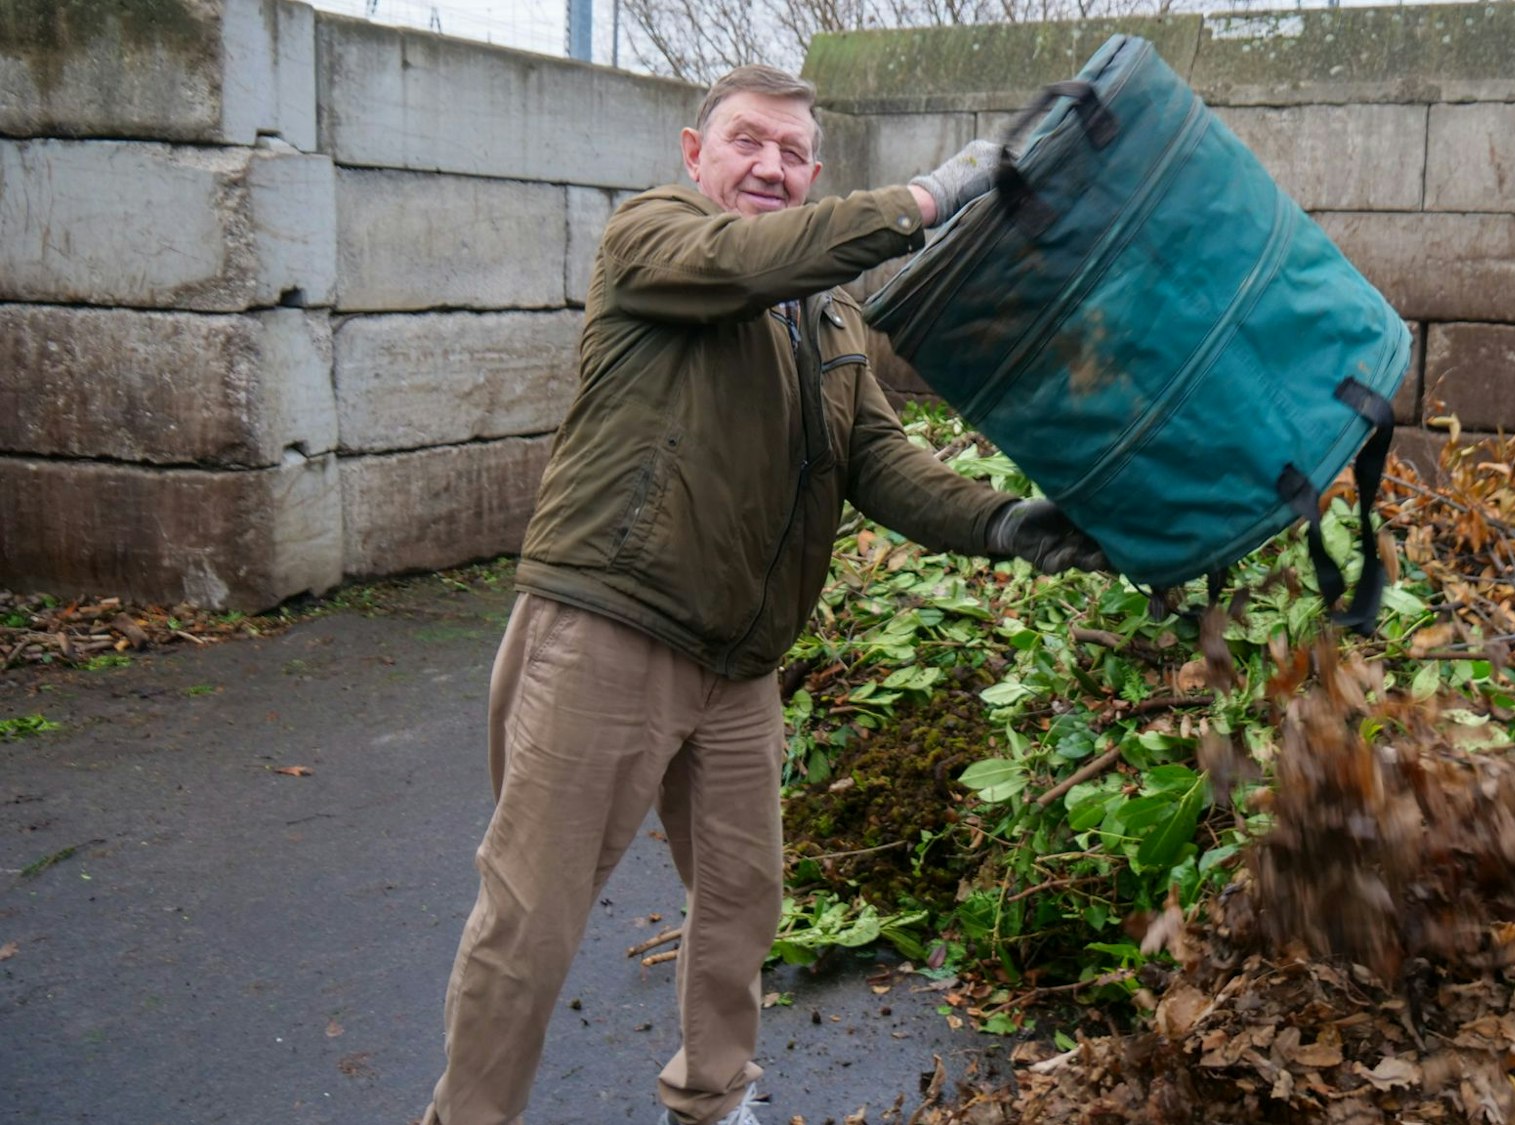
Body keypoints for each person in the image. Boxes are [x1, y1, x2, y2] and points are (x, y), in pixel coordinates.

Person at [420, 64, 1106, 1125]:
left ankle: (711, 1099)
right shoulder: (654, 238)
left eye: (792, 153)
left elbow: (876, 457)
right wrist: (931, 196)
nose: (770, 167)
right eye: (747, 141)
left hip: (741, 660)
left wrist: (1005, 523)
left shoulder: (827, 319)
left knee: (743, 898)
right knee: (531, 915)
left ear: (813, 174)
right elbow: (749, 261)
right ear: (695, 154)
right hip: (612, 624)